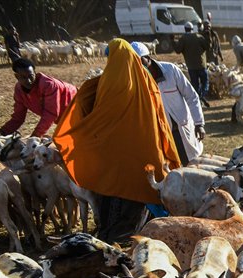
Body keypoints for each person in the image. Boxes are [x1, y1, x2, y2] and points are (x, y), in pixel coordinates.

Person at [53, 39, 180, 243]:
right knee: (141, 193)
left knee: (114, 195)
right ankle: (143, 237)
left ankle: (113, 238)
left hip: (112, 158)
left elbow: (94, 114)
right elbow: (160, 120)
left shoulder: (106, 82)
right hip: (145, 153)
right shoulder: (146, 81)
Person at [136, 41, 204, 166]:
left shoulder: (171, 70)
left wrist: (199, 123)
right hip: (163, 132)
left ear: (148, 58)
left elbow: (191, 96)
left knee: (192, 164)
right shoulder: (139, 81)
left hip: (182, 127)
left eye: (141, 62)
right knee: (172, 168)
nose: (139, 67)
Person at [0, 58, 78, 138]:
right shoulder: (19, 90)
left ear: (35, 73)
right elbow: (18, 117)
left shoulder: (48, 85)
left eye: (31, 76)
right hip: (63, 118)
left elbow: (51, 114)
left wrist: (35, 136)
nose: (29, 81)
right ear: (16, 76)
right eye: (23, 77)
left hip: (78, 107)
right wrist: (2, 133)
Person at [177, 22, 210, 105]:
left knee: (195, 84)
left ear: (185, 29)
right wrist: (207, 36)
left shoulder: (183, 39)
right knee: (205, 82)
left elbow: (178, 50)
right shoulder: (199, 37)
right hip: (202, 65)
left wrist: (172, 41)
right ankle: (202, 95)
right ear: (192, 29)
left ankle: (198, 98)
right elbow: (207, 47)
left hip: (191, 67)